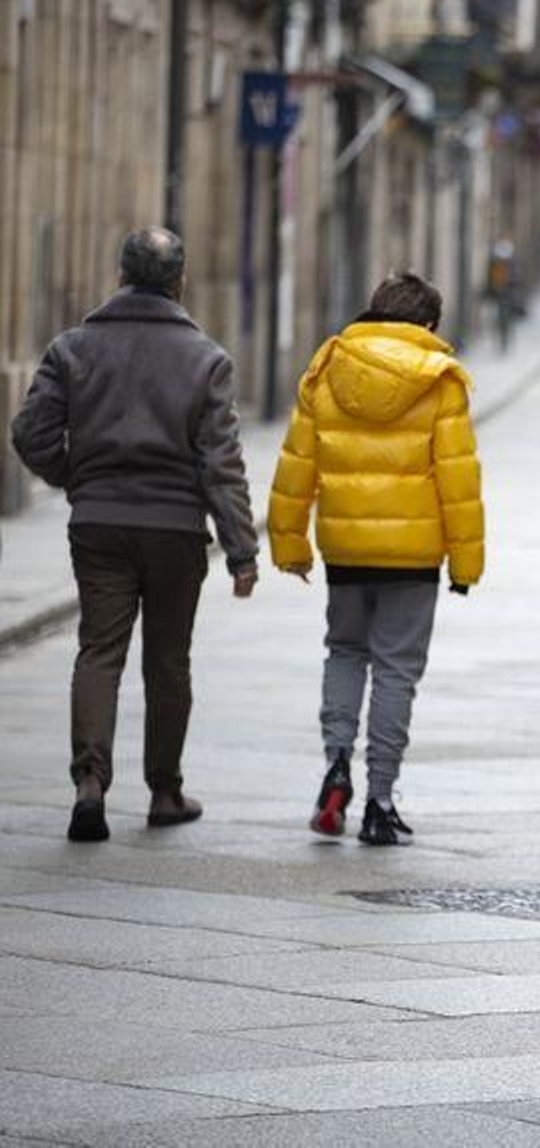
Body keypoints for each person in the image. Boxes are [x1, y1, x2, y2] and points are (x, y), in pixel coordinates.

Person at [10, 227, 258, 843]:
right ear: (180, 281)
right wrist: (241, 550)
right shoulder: (207, 360)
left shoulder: (73, 348)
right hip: (175, 529)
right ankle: (165, 791)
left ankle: (90, 782)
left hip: (99, 523)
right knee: (168, 662)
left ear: (120, 276)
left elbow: (29, 433)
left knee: (99, 650)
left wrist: (77, 479)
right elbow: (219, 463)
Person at [267, 272, 484, 844]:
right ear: (429, 324)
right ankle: (379, 799)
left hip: (345, 550)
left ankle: (336, 765)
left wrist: (290, 544)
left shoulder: (327, 368)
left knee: (344, 652)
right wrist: (465, 565)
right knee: (395, 672)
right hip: (412, 557)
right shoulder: (440, 379)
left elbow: (296, 466)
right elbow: (458, 480)